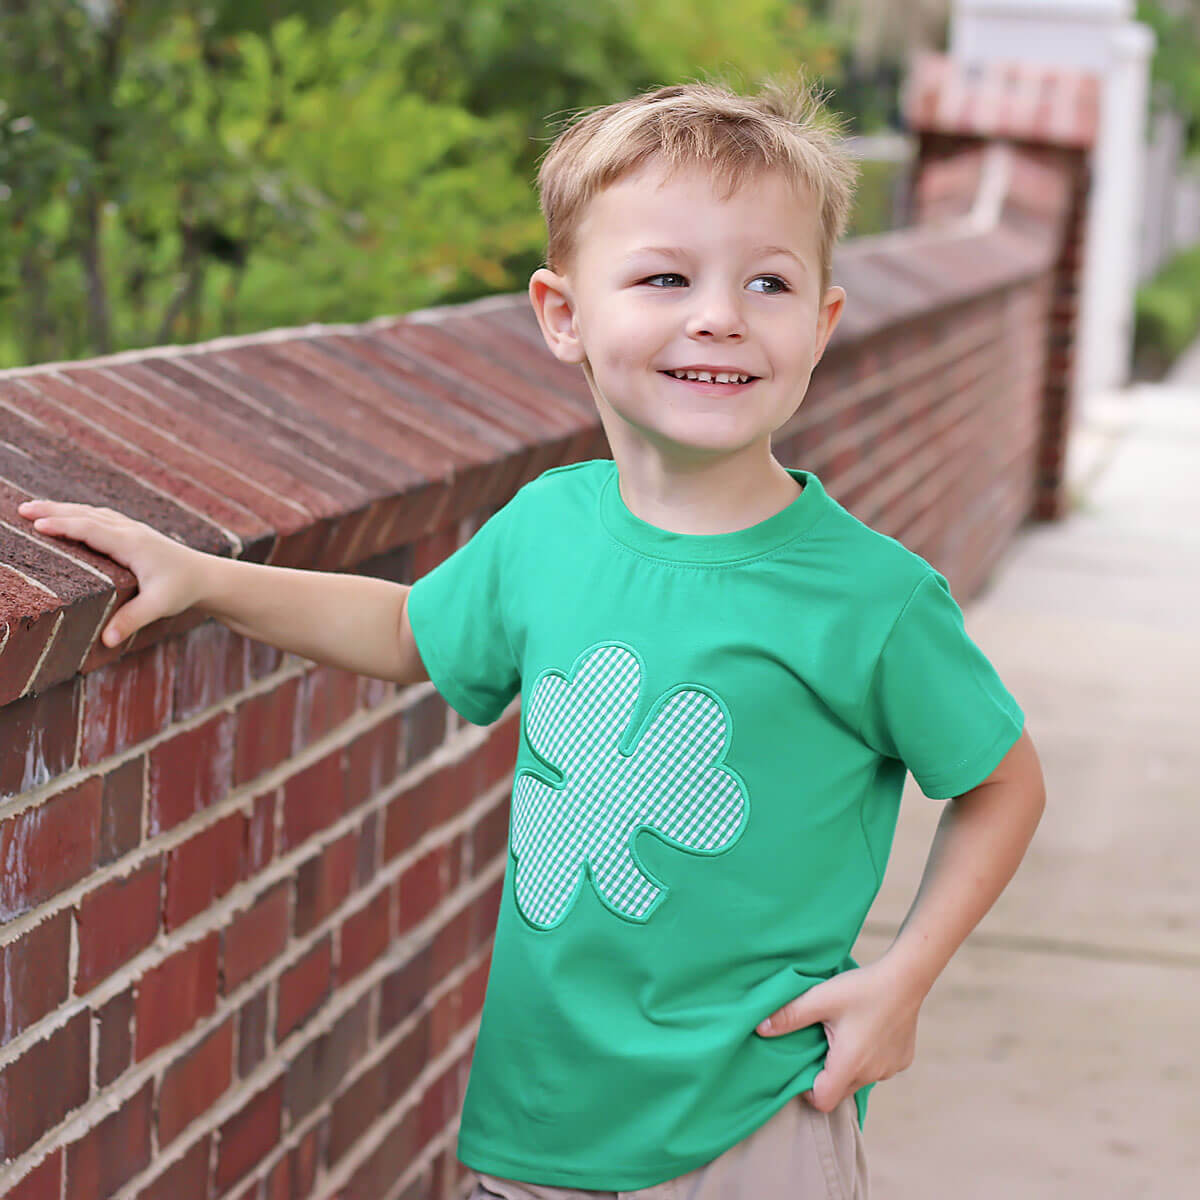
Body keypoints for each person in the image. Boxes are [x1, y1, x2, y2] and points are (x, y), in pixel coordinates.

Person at [17, 74, 1046, 1200]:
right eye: (666, 277)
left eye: (770, 282)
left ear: (824, 322)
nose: (721, 315)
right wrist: (206, 580)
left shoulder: (870, 597)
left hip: (755, 1118)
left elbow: (1003, 782)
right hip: (543, 1109)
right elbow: (415, 631)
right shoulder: (551, 528)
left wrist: (904, 981)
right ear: (563, 315)